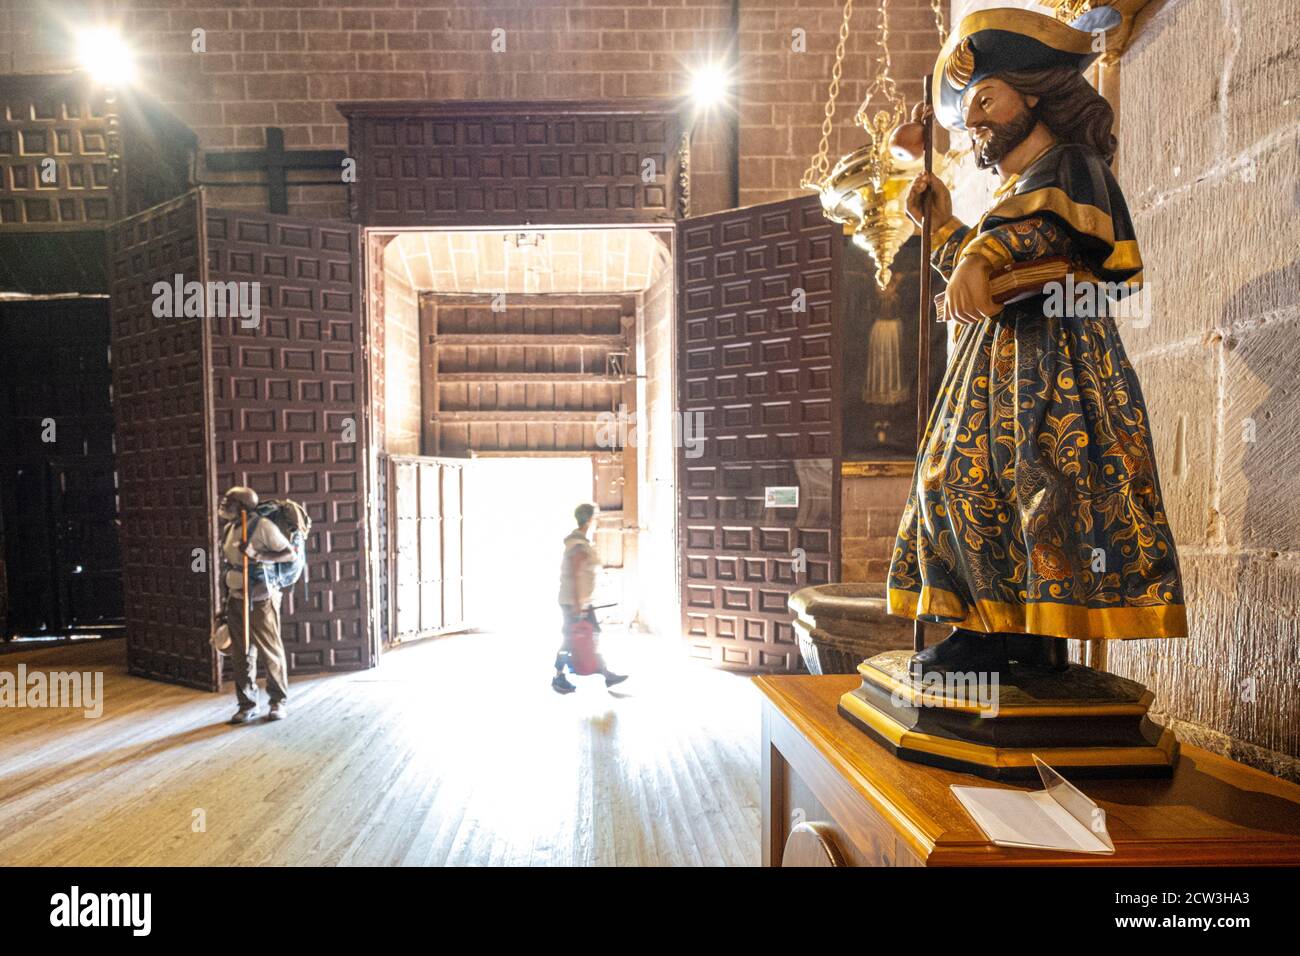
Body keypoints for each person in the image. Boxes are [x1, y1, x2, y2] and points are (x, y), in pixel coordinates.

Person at [890, 6, 1186, 676]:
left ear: (1032, 91)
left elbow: (1044, 233)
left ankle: (1024, 639)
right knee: (953, 478)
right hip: (999, 358)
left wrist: (978, 257)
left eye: (986, 99)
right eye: (968, 111)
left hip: (1052, 361)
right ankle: (993, 627)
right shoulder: (1018, 190)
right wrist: (942, 230)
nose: (975, 121)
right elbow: (992, 254)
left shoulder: (1070, 167)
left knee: (1035, 481)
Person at [218, 486, 295, 723]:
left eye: (228, 501)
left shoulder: (263, 527)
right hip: (236, 598)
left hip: (261, 598)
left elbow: (289, 553)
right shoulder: (229, 528)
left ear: (241, 506)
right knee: (241, 654)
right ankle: (247, 704)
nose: (222, 504)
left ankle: (277, 702)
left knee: (270, 651)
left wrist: (257, 555)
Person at [552, 503, 627, 694]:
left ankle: (604, 672)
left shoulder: (579, 541)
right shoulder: (578, 545)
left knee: (591, 633)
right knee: (571, 639)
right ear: (589, 520)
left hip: (579, 601)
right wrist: (578, 605)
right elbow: (576, 574)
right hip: (573, 602)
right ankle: (559, 676)